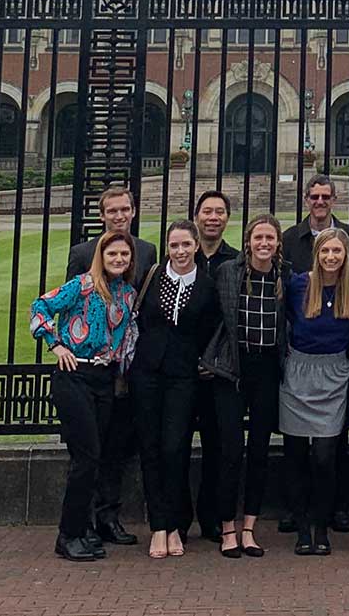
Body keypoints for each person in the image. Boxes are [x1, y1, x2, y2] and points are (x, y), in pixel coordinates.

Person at [31, 230, 138, 561]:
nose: (118, 260)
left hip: (104, 378)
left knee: (98, 456)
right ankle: (69, 533)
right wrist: (56, 344)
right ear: (101, 257)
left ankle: (85, 528)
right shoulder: (82, 285)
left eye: (124, 255)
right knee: (87, 454)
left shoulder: (128, 293)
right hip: (74, 374)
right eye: (112, 255)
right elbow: (41, 307)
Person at [65, 186, 157, 548]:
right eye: (112, 211)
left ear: (133, 212)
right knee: (88, 447)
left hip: (128, 367)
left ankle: (108, 516)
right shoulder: (82, 253)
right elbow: (70, 305)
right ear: (102, 215)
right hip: (90, 370)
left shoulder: (146, 250)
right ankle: (83, 521)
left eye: (125, 210)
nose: (119, 216)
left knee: (117, 445)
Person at [282, 175, 349, 535]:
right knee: (298, 451)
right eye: (314, 196)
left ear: (334, 199)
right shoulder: (290, 240)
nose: (319, 201)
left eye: (325, 196)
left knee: (331, 448)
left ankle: (334, 510)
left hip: (336, 364)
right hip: (301, 363)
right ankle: (297, 512)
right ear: (306, 199)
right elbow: (283, 306)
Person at [130, 220, 220, 559]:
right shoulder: (151, 277)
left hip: (183, 377)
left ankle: (177, 523)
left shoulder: (207, 286)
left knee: (175, 448)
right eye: (174, 245)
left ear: (196, 245)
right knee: (150, 448)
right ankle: (159, 527)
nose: (180, 251)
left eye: (186, 245)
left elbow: (211, 330)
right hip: (147, 373)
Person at [206, 214, 289, 558]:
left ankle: (250, 528)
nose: (264, 244)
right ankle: (227, 528)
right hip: (233, 370)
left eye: (270, 238)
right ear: (248, 241)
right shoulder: (228, 272)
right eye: (258, 238)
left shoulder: (287, 277)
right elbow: (212, 319)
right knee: (229, 451)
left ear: (278, 243)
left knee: (259, 450)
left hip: (268, 370)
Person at [184, 190, 239, 544]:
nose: (213, 218)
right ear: (196, 216)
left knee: (219, 447)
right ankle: (177, 517)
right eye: (207, 211)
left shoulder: (234, 260)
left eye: (219, 212)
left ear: (227, 218)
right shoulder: (179, 256)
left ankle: (213, 516)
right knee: (175, 444)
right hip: (183, 369)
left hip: (219, 370)